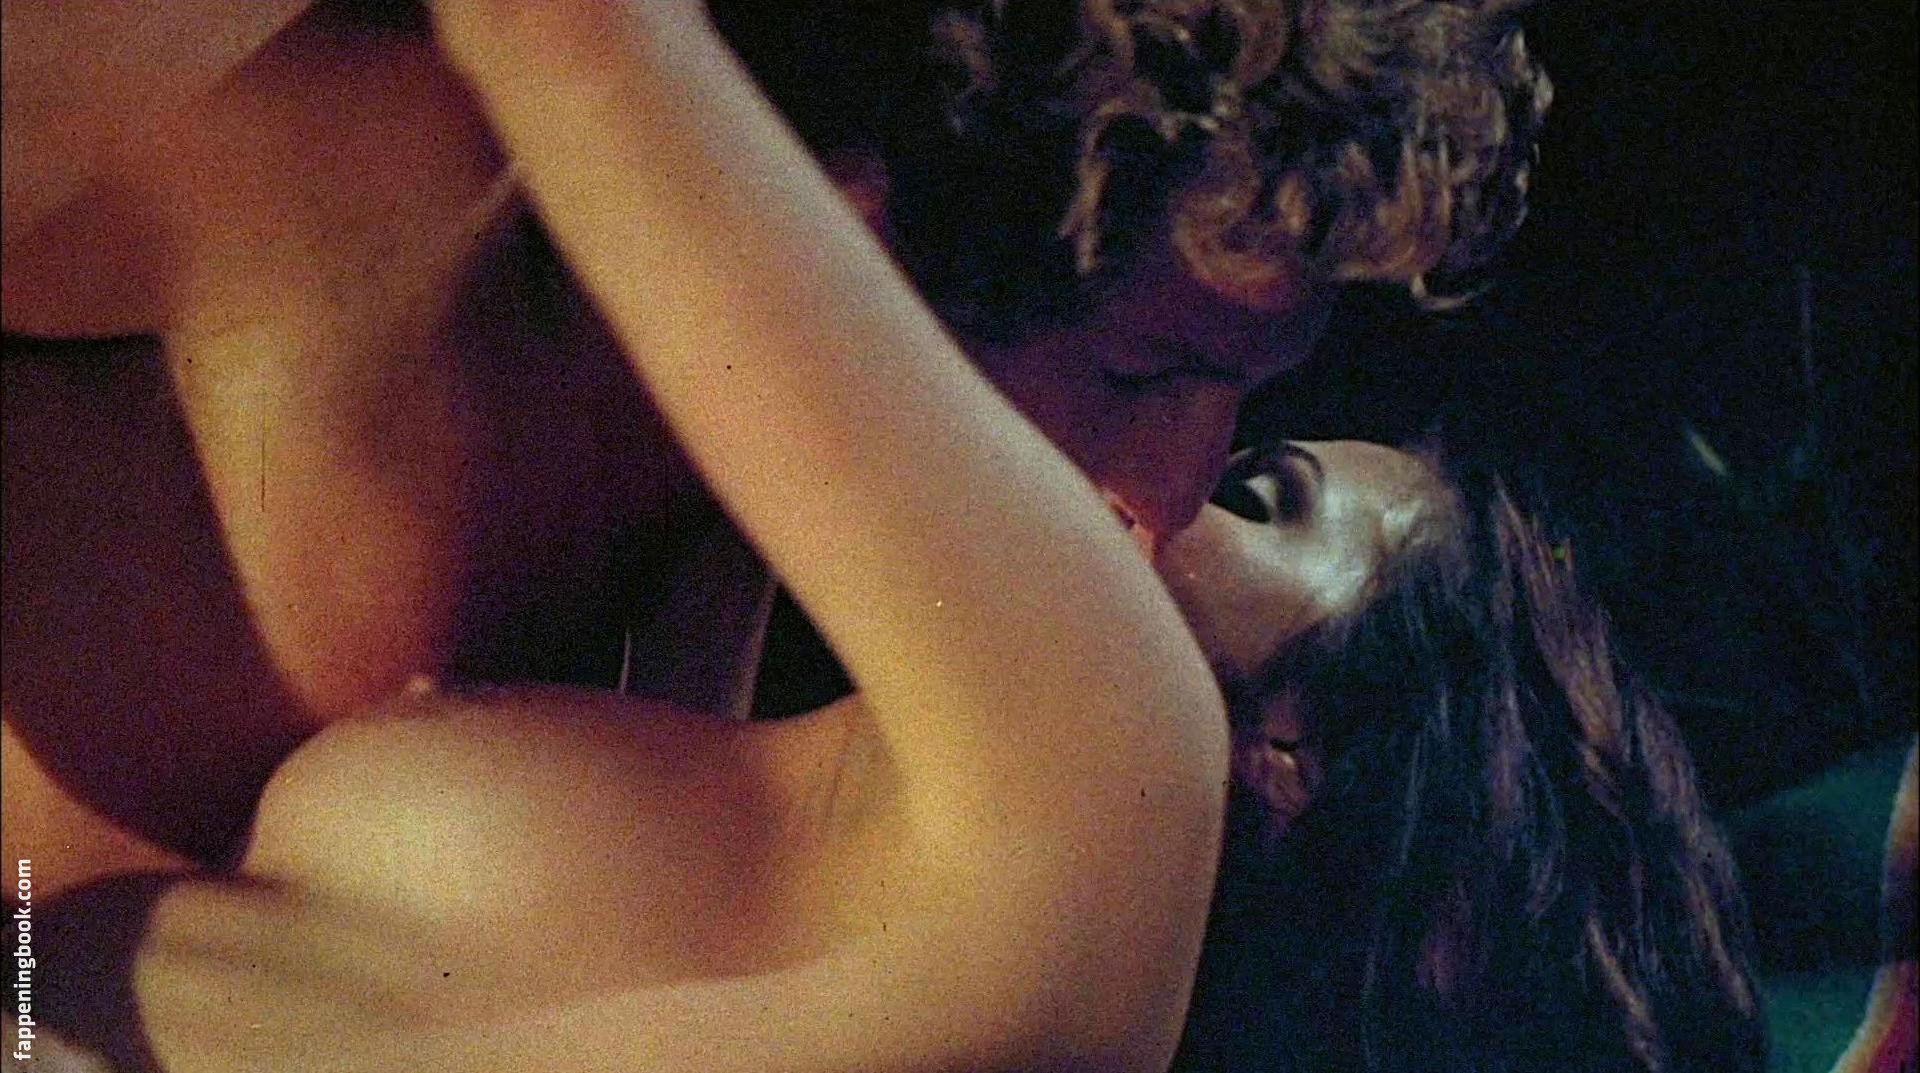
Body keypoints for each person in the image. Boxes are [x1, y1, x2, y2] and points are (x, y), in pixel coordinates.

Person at [3, 0, 1548, 902]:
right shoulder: (366, 143)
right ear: (884, 232)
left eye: (1241, 414)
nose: (1162, 496)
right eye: (1145, 375)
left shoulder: (709, 644)